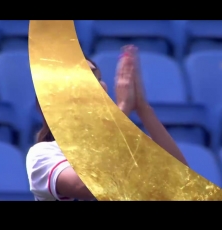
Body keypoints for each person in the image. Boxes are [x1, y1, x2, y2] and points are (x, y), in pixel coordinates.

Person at [26, 45, 188, 201]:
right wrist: (122, 110)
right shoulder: (43, 155)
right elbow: (86, 185)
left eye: (98, 78)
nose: (99, 85)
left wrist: (142, 107)